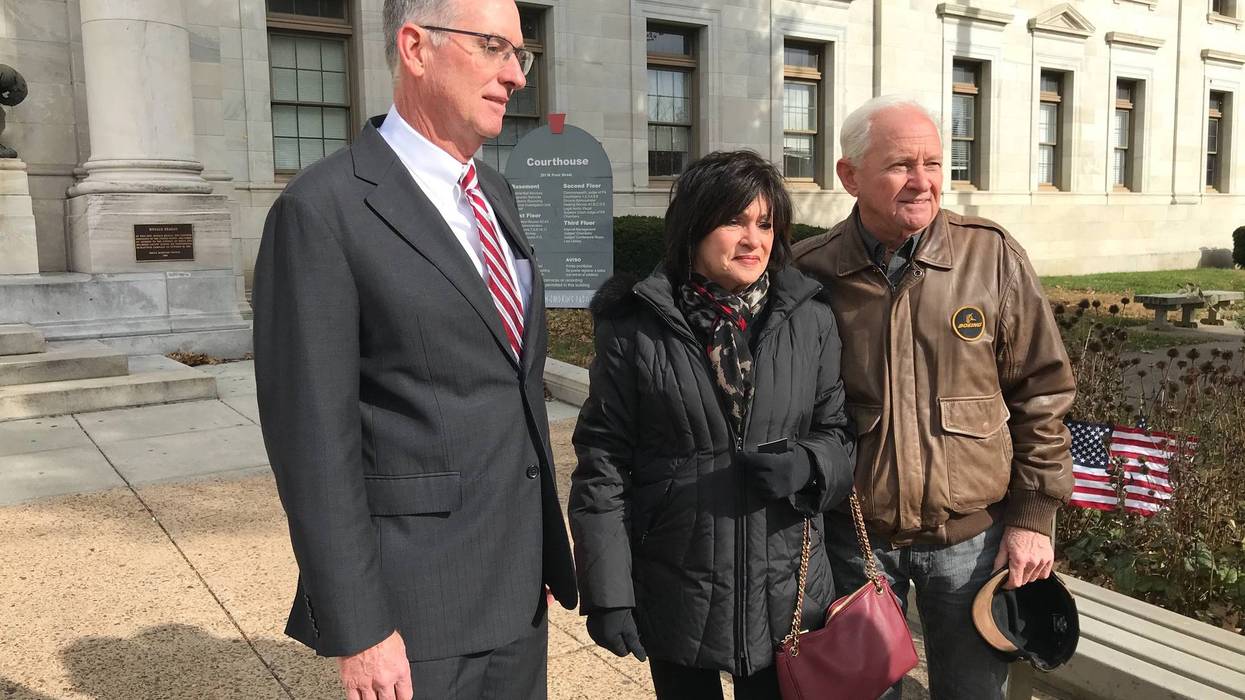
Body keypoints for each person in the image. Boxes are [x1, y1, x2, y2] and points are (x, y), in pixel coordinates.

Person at [251, 1, 576, 698]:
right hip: (413, 608)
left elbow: (506, 384)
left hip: (516, 589)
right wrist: (359, 627)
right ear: (415, 47)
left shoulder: (496, 194)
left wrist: (538, 548)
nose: (515, 75)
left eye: (521, 54)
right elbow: (312, 442)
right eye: (493, 47)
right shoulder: (322, 208)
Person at [792, 95, 1076, 699]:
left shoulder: (990, 256)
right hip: (858, 544)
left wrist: (1033, 519)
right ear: (850, 176)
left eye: (933, 164)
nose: (922, 182)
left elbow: (1042, 392)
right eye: (900, 165)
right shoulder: (810, 274)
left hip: (973, 544)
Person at [569, 151, 857, 700]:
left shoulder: (810, 318)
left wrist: (809, 464)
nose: (754, 239)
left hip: (786, 592)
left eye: (766, 223)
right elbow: (602, 466)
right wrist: (608, 592)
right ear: (694, 228)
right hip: (678, 586)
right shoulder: (636, 329)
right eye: (735, 221)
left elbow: (840, 433)